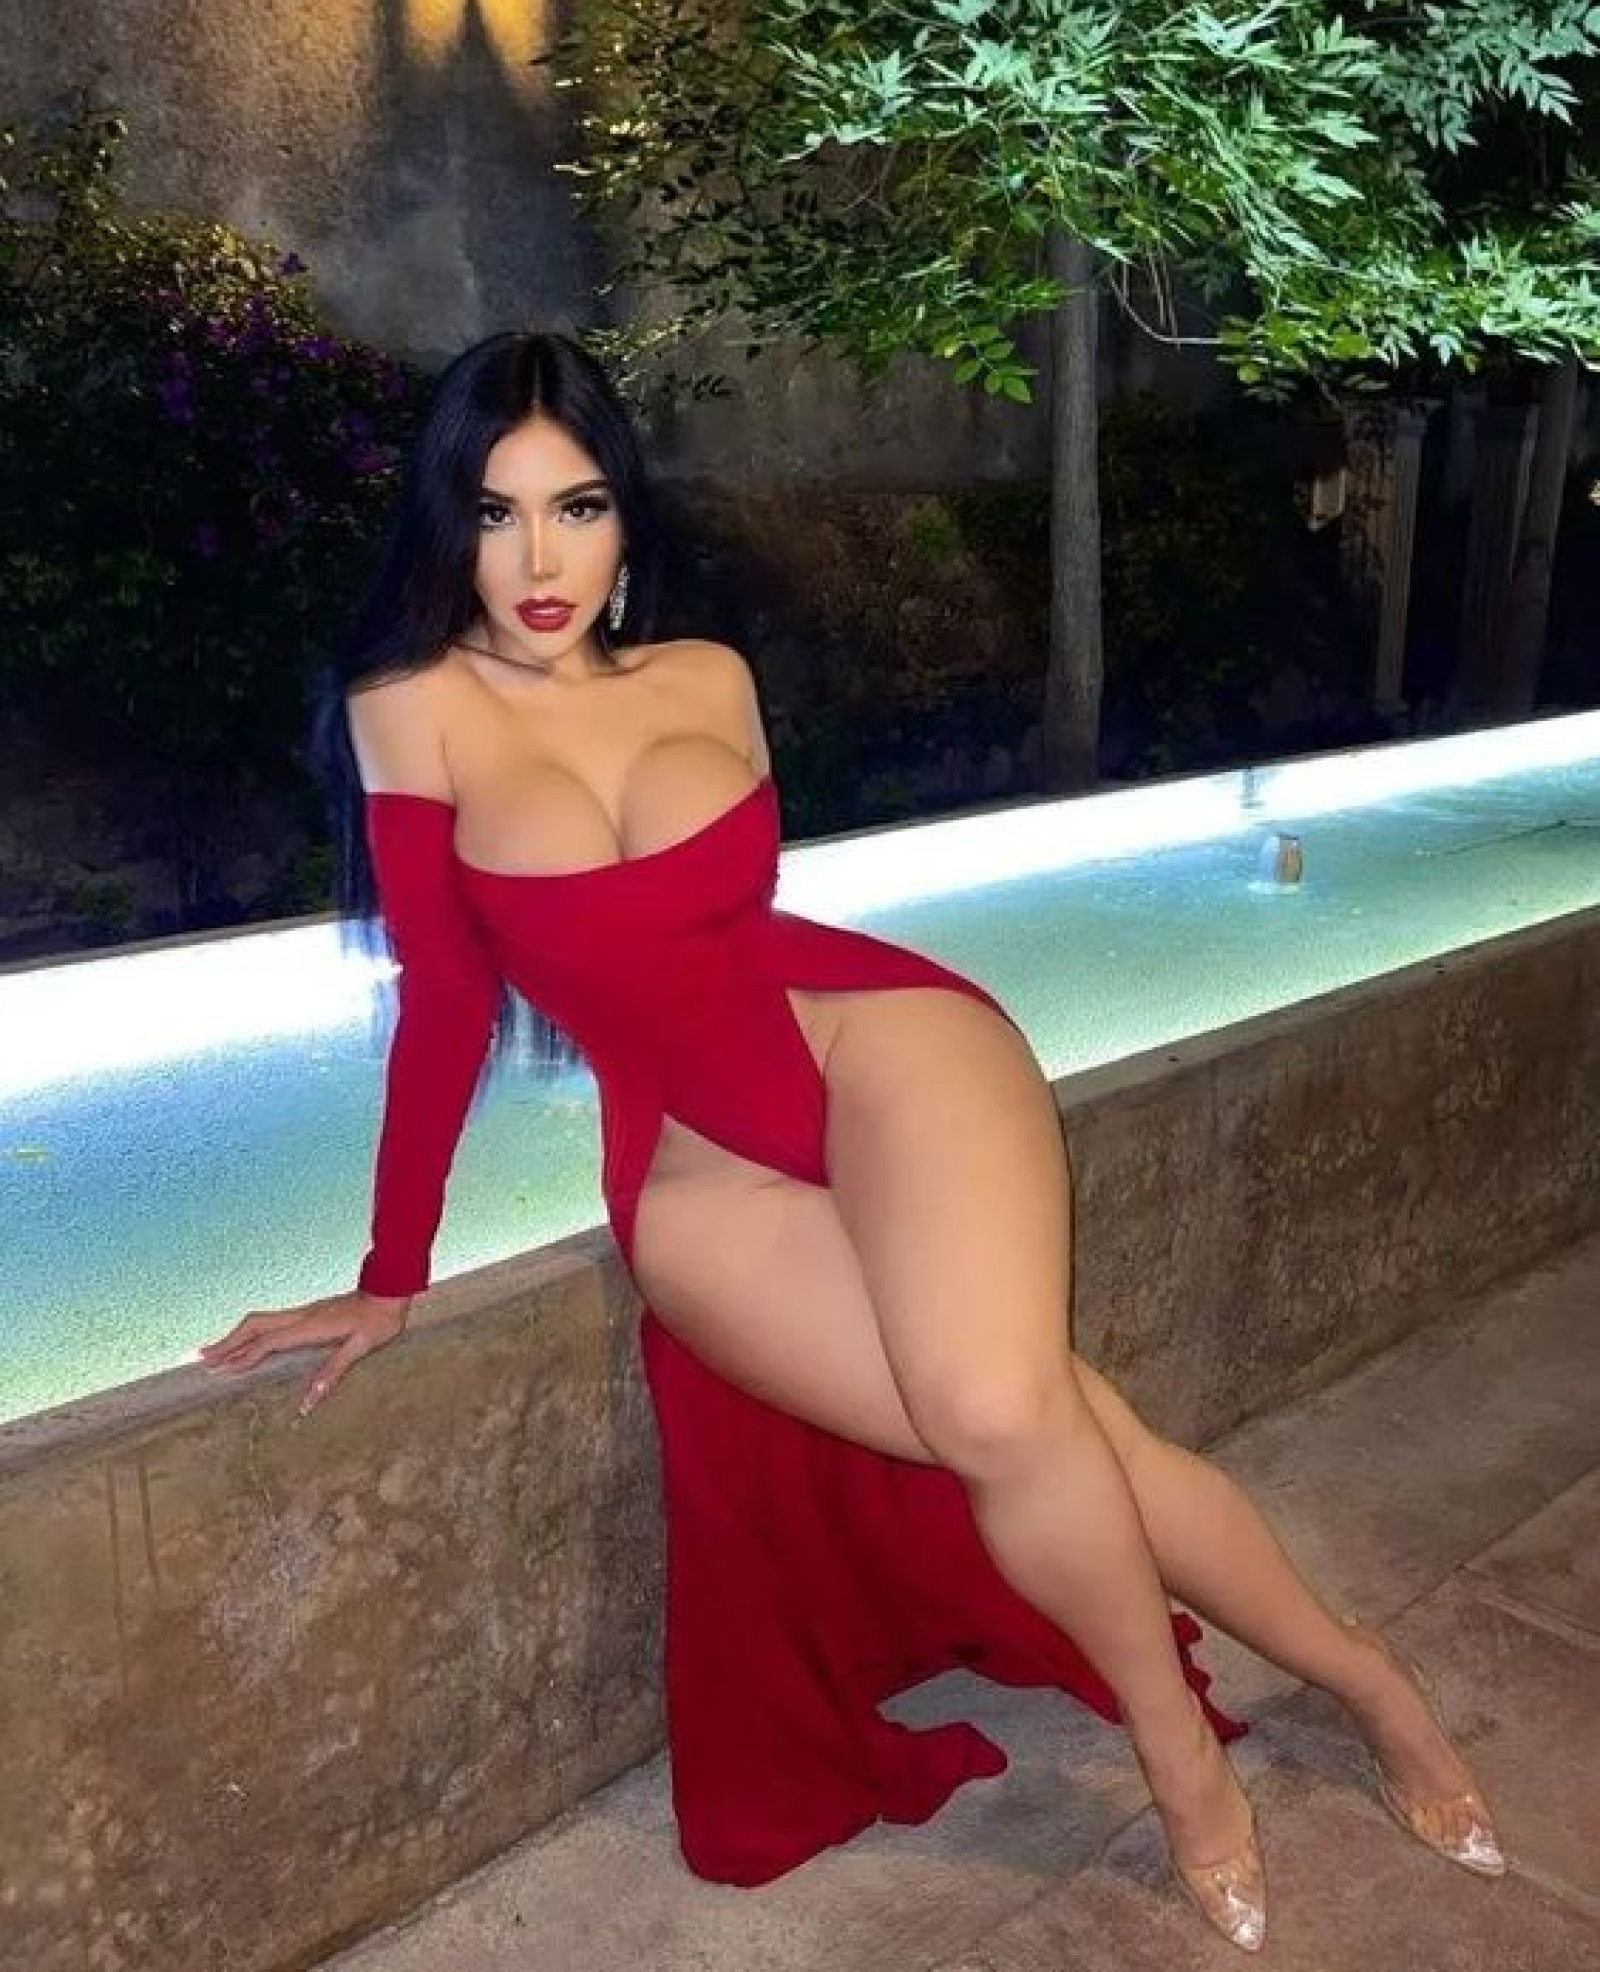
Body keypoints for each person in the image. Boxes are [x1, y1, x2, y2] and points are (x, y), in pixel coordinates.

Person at [199, 330, 1505, 1950]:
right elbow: (448, 1005)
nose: (540, 560)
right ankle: (1263, 1719)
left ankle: (1315, 1712)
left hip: (873, 1043)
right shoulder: (414, 708)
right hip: (695, 1161)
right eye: (496, 512)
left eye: (578, 508)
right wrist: (389, 1272)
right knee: (1050, 1420)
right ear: (445, 524)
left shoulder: (707, 678)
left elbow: (733, 923)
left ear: (625, 518)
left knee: (1006, 1408)